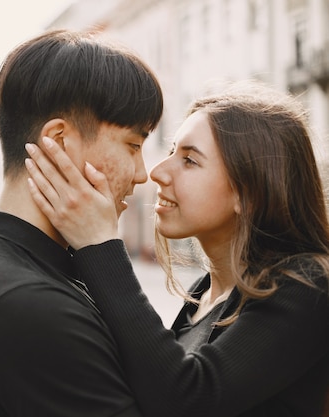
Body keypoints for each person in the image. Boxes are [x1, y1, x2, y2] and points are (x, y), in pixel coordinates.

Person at [24, 81, 329, 417]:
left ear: (249, 192)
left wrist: (100, 244)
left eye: (189, 160)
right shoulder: (205, 294)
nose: (157, 172)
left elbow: (186, 399)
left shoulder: (306, 284)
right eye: (171, 151)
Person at [0, 29, 163, 416]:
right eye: (133, 144)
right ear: (59, 141)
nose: (142, 173)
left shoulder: (14, 274)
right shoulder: (31, 304)